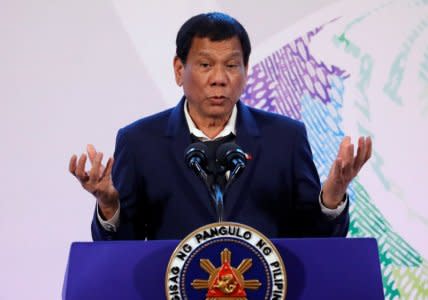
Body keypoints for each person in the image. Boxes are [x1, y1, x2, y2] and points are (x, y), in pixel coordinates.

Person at [69, 12, 371, 240]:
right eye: (205, 65)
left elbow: (317, 241)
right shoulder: (139, 142)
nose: (219, 78)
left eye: (231, 65)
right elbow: (123, 249)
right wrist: (110, 207)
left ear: (246, 71)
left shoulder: (285, 138)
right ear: (179, 70)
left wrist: (332, 196)